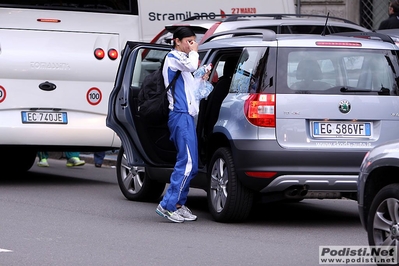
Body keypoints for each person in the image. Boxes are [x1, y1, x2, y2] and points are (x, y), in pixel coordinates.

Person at [155, 27, 209, 223]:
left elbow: (192, 88)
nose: (191, 44)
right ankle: (167, 205)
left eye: (194, 41)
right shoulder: (173, 57)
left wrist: (202, 76)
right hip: (179, 115)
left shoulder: (184, 61)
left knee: (192, 165)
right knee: (186, 163)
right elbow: (192, 66)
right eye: (188, 41)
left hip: (187, 116)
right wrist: (195, 53)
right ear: (176, 41)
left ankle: (178, 203)